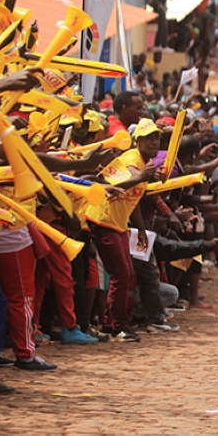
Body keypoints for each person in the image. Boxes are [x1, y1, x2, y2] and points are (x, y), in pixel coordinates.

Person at [83, 118, 164, 342]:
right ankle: (117, 325)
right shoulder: (131, 159)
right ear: (138, 141)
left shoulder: (144, 164)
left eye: (157, 138)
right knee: (121, 273)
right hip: (102, 219)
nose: (154, 142)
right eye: (149, 138)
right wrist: (141, 177)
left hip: (117, 223)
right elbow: (113, 188)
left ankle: (112, 324)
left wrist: (139, 228)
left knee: (127, 272)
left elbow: (133, 199)